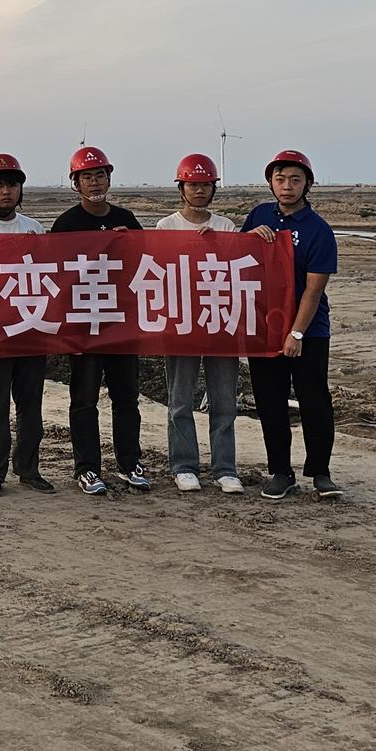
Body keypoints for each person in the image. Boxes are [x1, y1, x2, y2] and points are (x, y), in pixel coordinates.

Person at [242, 150, 342, 500]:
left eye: (295, 180)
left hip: (308, 331)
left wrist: (296, 333)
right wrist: (249, 237)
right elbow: (236, 260)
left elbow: (314, 290)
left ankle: (321, 472)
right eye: (280, 179)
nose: (287, 186)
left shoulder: (318, 230)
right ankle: (280, 472)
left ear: (307, 184)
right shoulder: (258, 216)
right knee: (270, 402)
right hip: (265, 328)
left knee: (314, 401)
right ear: (271, 183)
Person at [51, 145, 150, 496]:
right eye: (86, 177)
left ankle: (129, 463)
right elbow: (55, 276)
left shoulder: (127, 218)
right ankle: (88, 468)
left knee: (127, 399)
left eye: (99, 175)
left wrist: (131, 242)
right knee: (84, 401)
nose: (94, 182)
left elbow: (147, 265)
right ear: (75, 183)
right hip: (84, 327)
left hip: (121, 325)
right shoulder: (66, 224)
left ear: (109, 179)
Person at [0, 152, 54, 496]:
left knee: (30, 406)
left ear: (20, 189)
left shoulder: (34, 228)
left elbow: (47, 276)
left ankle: (28, 468)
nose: (6, 191)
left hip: (29, 329)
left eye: (12, 185)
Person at [158, 154, 243, 495]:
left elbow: (238, 270)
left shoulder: (226, 227)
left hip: (220, 323)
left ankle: (225, 468)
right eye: (193, 184)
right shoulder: (166, 227)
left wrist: (221, 245)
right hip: (181, 325)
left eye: (206, 184)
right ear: (181, 188)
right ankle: (184, 466)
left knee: (224, 401)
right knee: (180, 400)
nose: (199, 190)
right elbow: (160, 272)